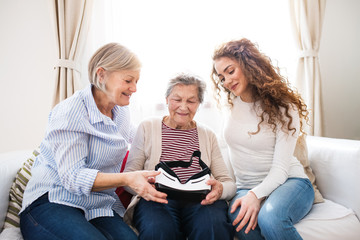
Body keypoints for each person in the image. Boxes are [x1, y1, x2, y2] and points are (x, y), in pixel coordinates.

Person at [19, 43, 167, 240]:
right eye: (128, 80)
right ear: (101, 74)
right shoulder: (71, 112)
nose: (134, 88)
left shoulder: (120, 110)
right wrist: (127, 178)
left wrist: (173, 135)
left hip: (97, 204)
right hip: (54, 200)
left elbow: (139, 137)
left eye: (136, 81)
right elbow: (72, 177)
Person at [210, 38, 315, 240]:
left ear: (249, 65)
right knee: (239, 220)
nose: (226, 81)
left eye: (230, 71)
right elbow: (221, 145)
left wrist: (256, 195)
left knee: (271, 218)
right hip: (244, 187)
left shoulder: (284, 106)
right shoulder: (229, 105)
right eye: (221, 77)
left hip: (289, 182)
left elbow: (280, 170)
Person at [123, 73, 236, 240]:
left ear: (198, 104)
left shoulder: (207, 134)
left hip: (201, 200)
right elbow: (128, 176)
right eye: (177, 99)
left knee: (212, 228)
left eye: (191, 101)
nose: (183, 107)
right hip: (157, 198)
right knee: (158, 231)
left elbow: (228, 182)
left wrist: (220, 190)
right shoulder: (147, 127)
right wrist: (145, 188)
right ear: (167, 99)